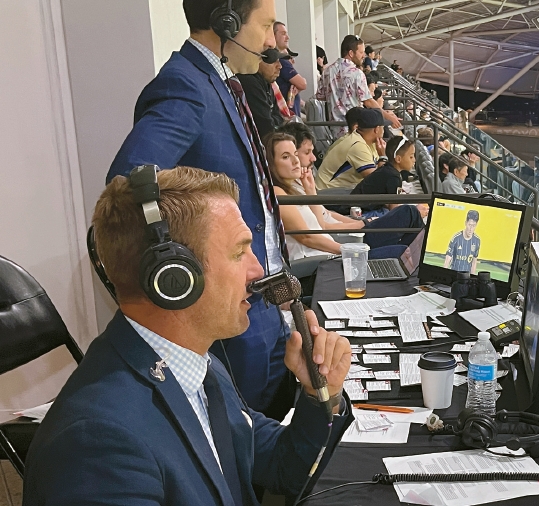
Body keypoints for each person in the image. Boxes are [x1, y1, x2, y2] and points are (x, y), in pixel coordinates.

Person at [25, 166, 353, 504]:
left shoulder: (194, 363)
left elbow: (280, 466)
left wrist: (319, 393)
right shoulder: (98, 444)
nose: (257, 271)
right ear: (175, 278)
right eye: (239, 252)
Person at [108, 0, 294, 418]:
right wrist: (189, 260)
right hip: (228, 308)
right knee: (244, 449)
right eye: (265, 27)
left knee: (270, 433)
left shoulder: (219, 82)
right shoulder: (185, 85)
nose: (271, 43)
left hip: (261, 301)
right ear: (226, 23)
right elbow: (129, 183)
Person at [267, 132, 424, 260]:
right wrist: (351, 250)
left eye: (295, 154)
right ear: (271, 164)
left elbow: (321, 222)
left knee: (407, 247)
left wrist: (310, 191)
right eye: (286, 157)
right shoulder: (278, 193)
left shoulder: (296, 186)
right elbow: (308, 237)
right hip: (328, 259)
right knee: (409, 215)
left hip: (337, 248)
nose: (295, 161)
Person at [316, 34, 400, 137]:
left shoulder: (327, 71)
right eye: (361, 52)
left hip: (334, 129)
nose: (364, 55)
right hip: (354, 129)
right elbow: (368, 101)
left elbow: (320, 97)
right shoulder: (357, 74)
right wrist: (388, 116)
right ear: (351, 53)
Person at [317, 108, 388, 190]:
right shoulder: (357, 145)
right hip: (329, 193)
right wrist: (383, 156)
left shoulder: (367, 141)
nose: (383, 131)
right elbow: (377, 181)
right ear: (377, 129)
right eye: (383, 128)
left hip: (340, 190)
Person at [238, 46, 285, 139]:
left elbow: (279, 117)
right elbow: (266, 126)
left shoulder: (266, 83)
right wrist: (275, 120)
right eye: (273, 61)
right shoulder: (249, 82)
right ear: (257, 61)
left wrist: (274, 120)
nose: (280, 66)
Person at [273, 21, 306, 118]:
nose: (288, 37)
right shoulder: (282, 62)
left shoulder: (284, 61)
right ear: (273, 36)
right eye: (283, 34)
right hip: (286, 115)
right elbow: (302, 84)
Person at [444, 210, 482, 274]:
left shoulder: (477, 240)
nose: (471, 228)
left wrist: (472, 278)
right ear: (465, 223)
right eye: (469, 225)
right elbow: (448, 258)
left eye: (473, 225)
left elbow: (474, 261)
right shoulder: (456, 238)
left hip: (467, 277)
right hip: (455, 274)